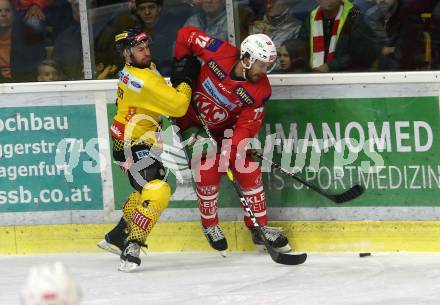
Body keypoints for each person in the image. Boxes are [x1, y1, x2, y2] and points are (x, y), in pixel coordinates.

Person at [174, 26, 292, 255]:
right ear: (246, 58)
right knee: (206, 167)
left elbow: (248, 124)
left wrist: (232, 149)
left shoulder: (261, 89)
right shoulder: (220, 52)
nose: (264, 70)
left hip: (222, 131)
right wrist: (180, 66)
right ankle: (210, 226)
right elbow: (185, 34)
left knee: (247, 168)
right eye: (261, 64)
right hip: (190, 122)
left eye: (268, 66)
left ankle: (258, 228)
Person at [97, 28, 200, 272]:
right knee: (158, 189)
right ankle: (134, 242)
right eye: (140, 49)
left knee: (148, 189)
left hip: (135, 142)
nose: (147, 52)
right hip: (132, 146)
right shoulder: (142, 80)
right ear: (126, 54)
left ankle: (117, 236)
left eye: (146, 48)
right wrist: (185, 82)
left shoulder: (137, 71)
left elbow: (156, 92)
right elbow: (178, 107)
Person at [299, 0, 382, 72]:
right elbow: (301, 51)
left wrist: (330, 66)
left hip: (348, 77)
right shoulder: (310, 19)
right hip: (314, 77)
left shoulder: (354, 17)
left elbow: (365, 53)